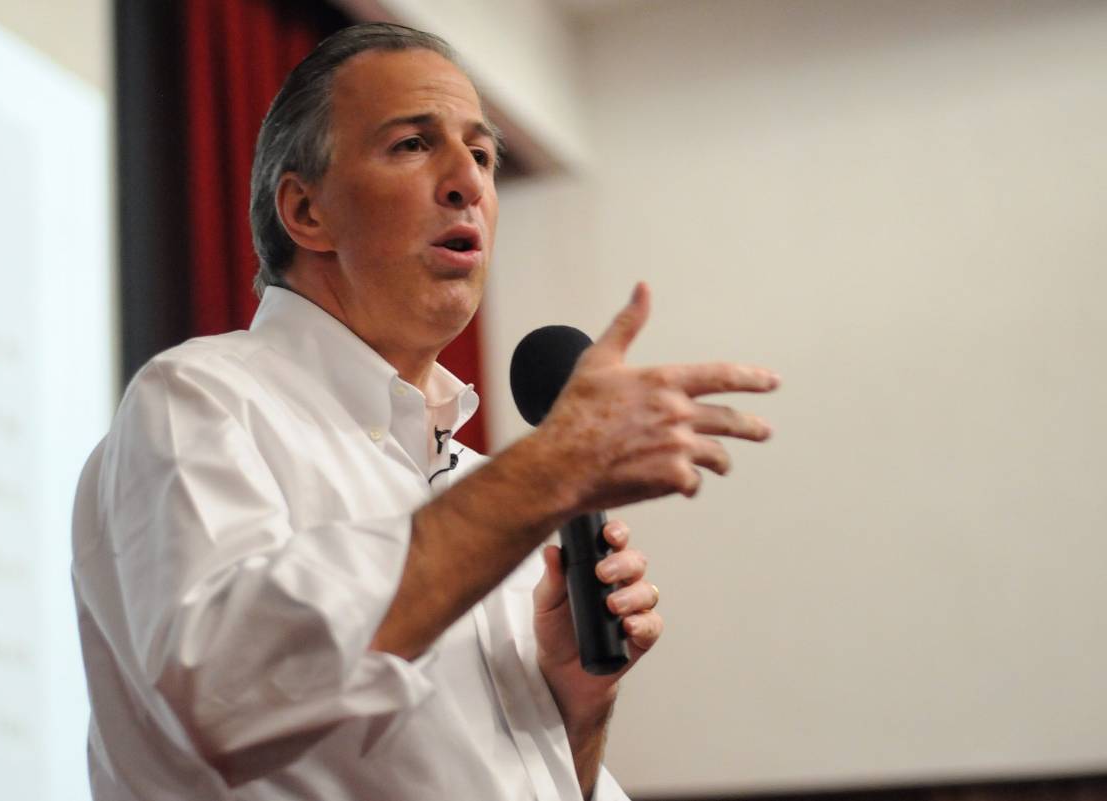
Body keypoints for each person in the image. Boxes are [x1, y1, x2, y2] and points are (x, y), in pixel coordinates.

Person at [71, 22, 778, 801]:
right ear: (305, 210)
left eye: (482, 155)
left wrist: (576, 709)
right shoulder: (202, 400)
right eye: (413, 144)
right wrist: (548, 472)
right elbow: (222, 689)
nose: (468, 181)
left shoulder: (481, 489)